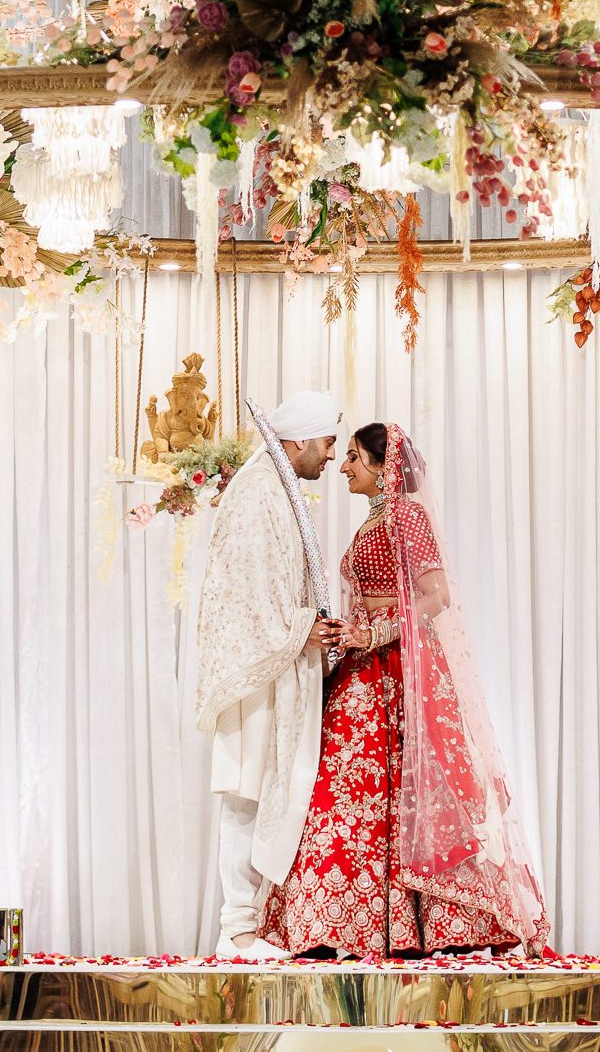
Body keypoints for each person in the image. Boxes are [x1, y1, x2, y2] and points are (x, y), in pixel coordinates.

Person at [261, 422, 549, 956]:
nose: (343, 466)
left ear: (380, 464)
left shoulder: (407, 515)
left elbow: (435, 596)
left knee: (404, 790)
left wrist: (374, 631)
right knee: (346, 791)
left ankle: (431, 925)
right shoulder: (373, 521)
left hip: (400, 671)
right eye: (341, 455)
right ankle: (340, 923)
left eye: (352, 456)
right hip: (361, 668)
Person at [191, 389, 343, 958]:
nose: (331, 455)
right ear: (300, 439)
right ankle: (237, 931)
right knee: (246, 796)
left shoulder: (275, 488)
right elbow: (246, 593)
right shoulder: (258, 493)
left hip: (276, 665)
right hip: (257, 670)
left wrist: (305, 628)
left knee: (261, 793)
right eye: (328, 443)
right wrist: (299, 629)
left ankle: (247, 926)